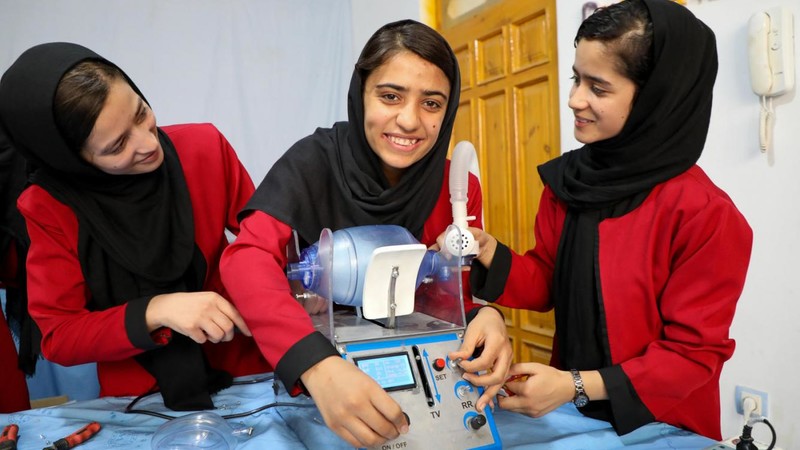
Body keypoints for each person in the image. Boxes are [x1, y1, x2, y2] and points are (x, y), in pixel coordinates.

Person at [464, 0, 752, 441]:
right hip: (572, 417)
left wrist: (573, 384)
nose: (575, 99)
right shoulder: (570, 183)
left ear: (657, 96)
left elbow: (692, 357)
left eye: (598, 87)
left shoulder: (705, 215)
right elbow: (547, 280)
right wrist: (488, 251)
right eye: (576, 79)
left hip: (662, 424)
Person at [220, 19, 512, 448]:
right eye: (390, 96)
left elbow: (454, 291)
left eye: (432, 104)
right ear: (361, 94)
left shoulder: (458, 188)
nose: (410, 120)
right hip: (316, 380)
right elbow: (246, 259)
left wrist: (489, 317)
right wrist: (316, 365)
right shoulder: (312, 163)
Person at [0, 42, 270, 411]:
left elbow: (265, 243)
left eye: (141, 113)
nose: (148, 144)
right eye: (117, 146)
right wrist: (156, 310)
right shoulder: (50, 207)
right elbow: (59, 337)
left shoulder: (203, 148)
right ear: (71, 160)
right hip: (141, 400)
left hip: (248, 373)